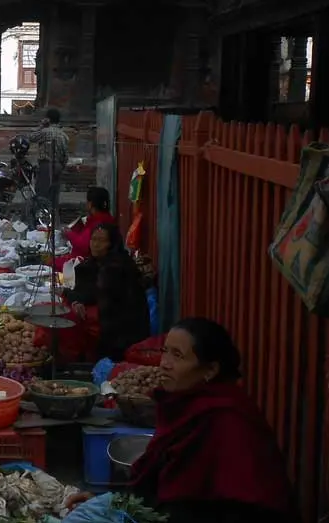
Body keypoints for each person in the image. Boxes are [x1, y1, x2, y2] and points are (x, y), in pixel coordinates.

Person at [65, 318, 297, 523]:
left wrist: (122, 509)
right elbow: (159, 483)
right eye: (165, 351)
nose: (164, 362)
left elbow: (216, 506)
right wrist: (115, 504)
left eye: (178, 355)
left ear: (210, 370)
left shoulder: (226, 419)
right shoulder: (183, 405)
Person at [53, 222, 149, 361]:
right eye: (93, 239)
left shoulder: (118, 267)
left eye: (101, 241)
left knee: (69, 317)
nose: (95, 244)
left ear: (112, 244)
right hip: (105, 319)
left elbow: (94, 294)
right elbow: (84, 292)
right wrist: (75, 300)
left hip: (121, 329)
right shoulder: (92, 264)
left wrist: (70, 296)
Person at [28, 108, 69, 201]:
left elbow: (31, 137)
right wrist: (61, 166)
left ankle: (42, 212)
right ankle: (53, 212)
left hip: (45, 165)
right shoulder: (63, 135)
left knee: (42, 191)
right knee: (54, 192)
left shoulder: (44, 132)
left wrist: (41, 125)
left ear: (48, 119)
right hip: (58, 165)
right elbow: (66, 155)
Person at [65, 187, 116, 258]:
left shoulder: (98, 222)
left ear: (90, 203)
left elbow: (84, 245)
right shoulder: (106, 218)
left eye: (87, 201)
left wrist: (69, 233)